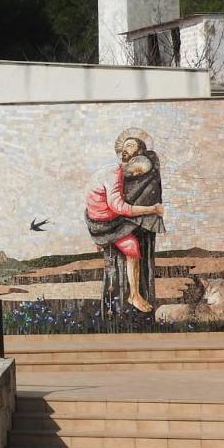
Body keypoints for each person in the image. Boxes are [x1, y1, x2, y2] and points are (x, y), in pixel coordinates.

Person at [86, 130, 166, 314]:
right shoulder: (115, 174)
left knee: (132, 244)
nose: (125, 149)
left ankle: (134, 295)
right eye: (124, 145)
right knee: (132, 248)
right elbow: (119, 207)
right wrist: (152, 209)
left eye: (131, 145)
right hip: (104, 223)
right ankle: (134, 295)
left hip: (103, 219)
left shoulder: (126, 172)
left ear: (140, 152)